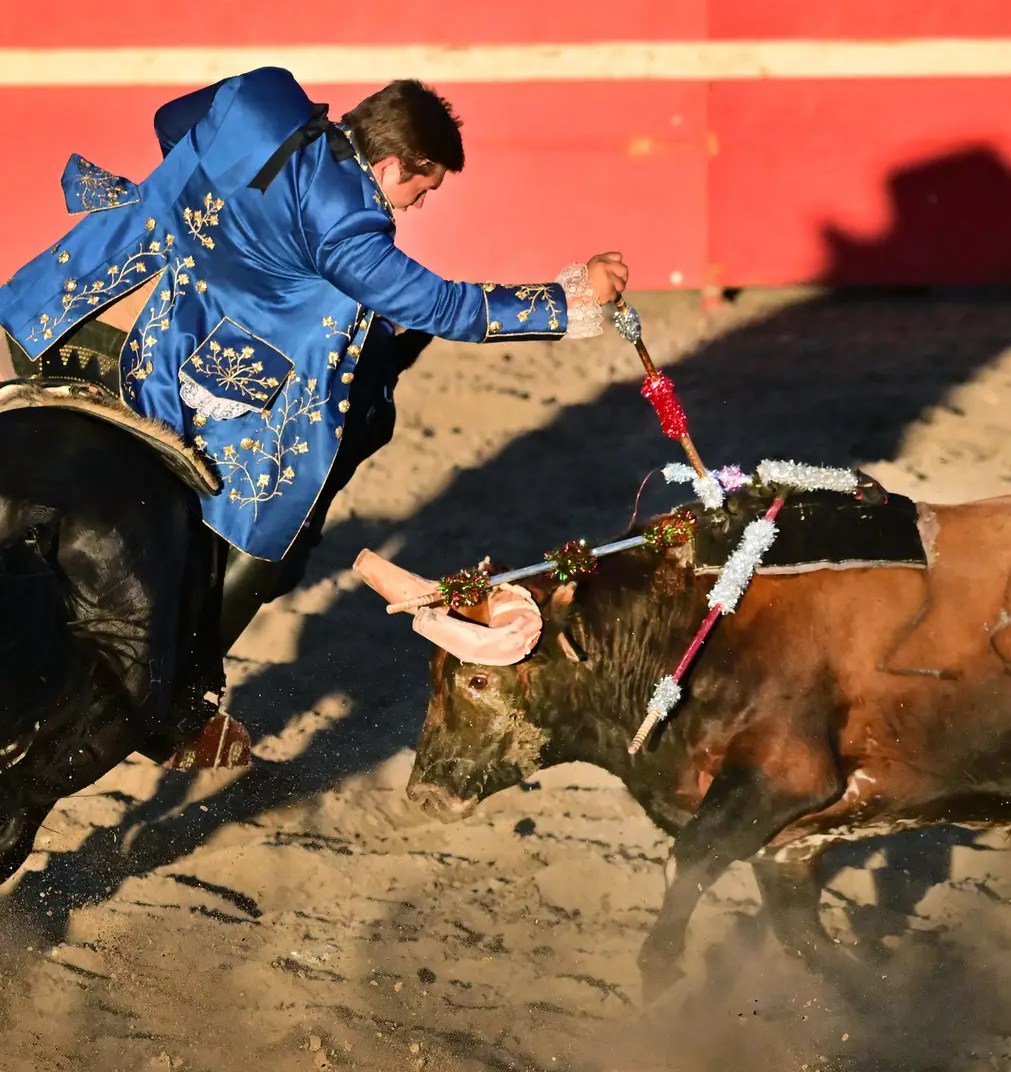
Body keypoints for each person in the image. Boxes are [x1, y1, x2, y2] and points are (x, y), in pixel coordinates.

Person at [0, 66, 629, 766]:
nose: (417, 207)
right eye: (421, 190)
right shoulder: (349, 226)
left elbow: (172, 124)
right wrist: (571, 298)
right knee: (270, 519)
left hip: (106, 307)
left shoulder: (262, 96)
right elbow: (439, 307)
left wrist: (216, 235)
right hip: (194, 374)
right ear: (391, 167)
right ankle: (179, 700)